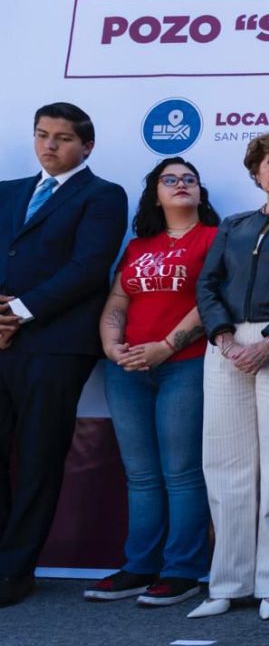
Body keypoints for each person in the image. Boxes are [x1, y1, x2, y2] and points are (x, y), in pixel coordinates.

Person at [0, 103, 128, 607]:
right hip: (3, 335)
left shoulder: (102, 195)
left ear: (86, 146)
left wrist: (22, 312)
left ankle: (14, 570)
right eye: (42, 135)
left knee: (37, 456)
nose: (49, 145)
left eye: (62, 138)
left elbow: (88, 266)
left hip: (55, 344)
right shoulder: (7, 192)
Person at [189, 132, 269, 620]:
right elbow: (207, 285)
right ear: (255, 170)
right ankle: (228, 582)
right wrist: (224, 338)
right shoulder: (233, 224)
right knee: (224, 465)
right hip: (225, 347)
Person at [86, 156, 219, 607]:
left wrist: (166, 345)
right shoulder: (138, 246)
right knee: (141, 475)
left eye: (189, 179)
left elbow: (212, 300)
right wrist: (110, 345)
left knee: (181, 473)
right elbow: (117, 301)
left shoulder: (214, 239)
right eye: (170, 179)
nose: (180, 184)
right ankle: (140, 567)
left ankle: (183, 571)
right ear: (155, 193)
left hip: (186, 363)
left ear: (200, 191)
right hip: (126, 370)